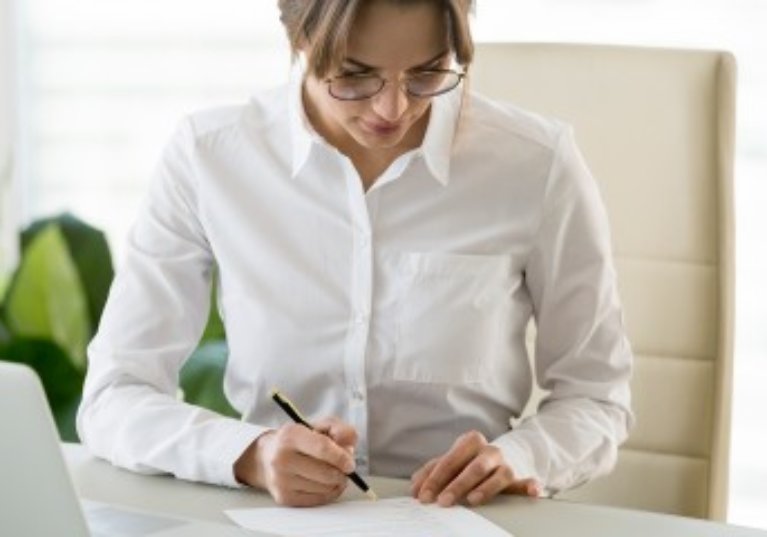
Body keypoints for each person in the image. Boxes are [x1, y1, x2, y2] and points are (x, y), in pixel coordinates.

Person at [77, 0, 633, 509]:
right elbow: (114, 395)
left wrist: (522, 457)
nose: (393, 107)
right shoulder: (210, 159)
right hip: (278, 519)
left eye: (427, 72)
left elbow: (596, 398)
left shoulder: (535, 165)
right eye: (354, 75)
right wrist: (251, 455)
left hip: (465, 520)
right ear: (298, 40)